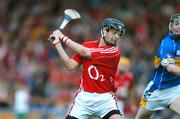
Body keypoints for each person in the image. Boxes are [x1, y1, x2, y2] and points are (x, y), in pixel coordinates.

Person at [48, 18, 126, 119]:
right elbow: (69, 65)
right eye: (114, 32)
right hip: (84, 99)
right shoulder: (87, 46)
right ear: (104, 31)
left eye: (119, 34)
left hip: (105, 99)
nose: (116, 37)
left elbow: (84, 52)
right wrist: (57, 43)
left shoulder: (114, 51)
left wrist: (62, 37)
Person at [135, 13, 180, 119]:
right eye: (177, 24)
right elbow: (170, 68)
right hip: (157, 90)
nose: (179, 26)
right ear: (171, 26)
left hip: (175, 88)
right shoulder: (167, 43)